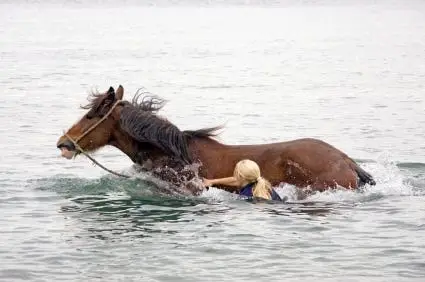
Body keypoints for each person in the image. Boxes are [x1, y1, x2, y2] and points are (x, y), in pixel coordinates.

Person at [203, 159, 282, 201]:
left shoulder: (245, 196)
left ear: (240, 177)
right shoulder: (265, 185)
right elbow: (236, 180)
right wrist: (212, 182)